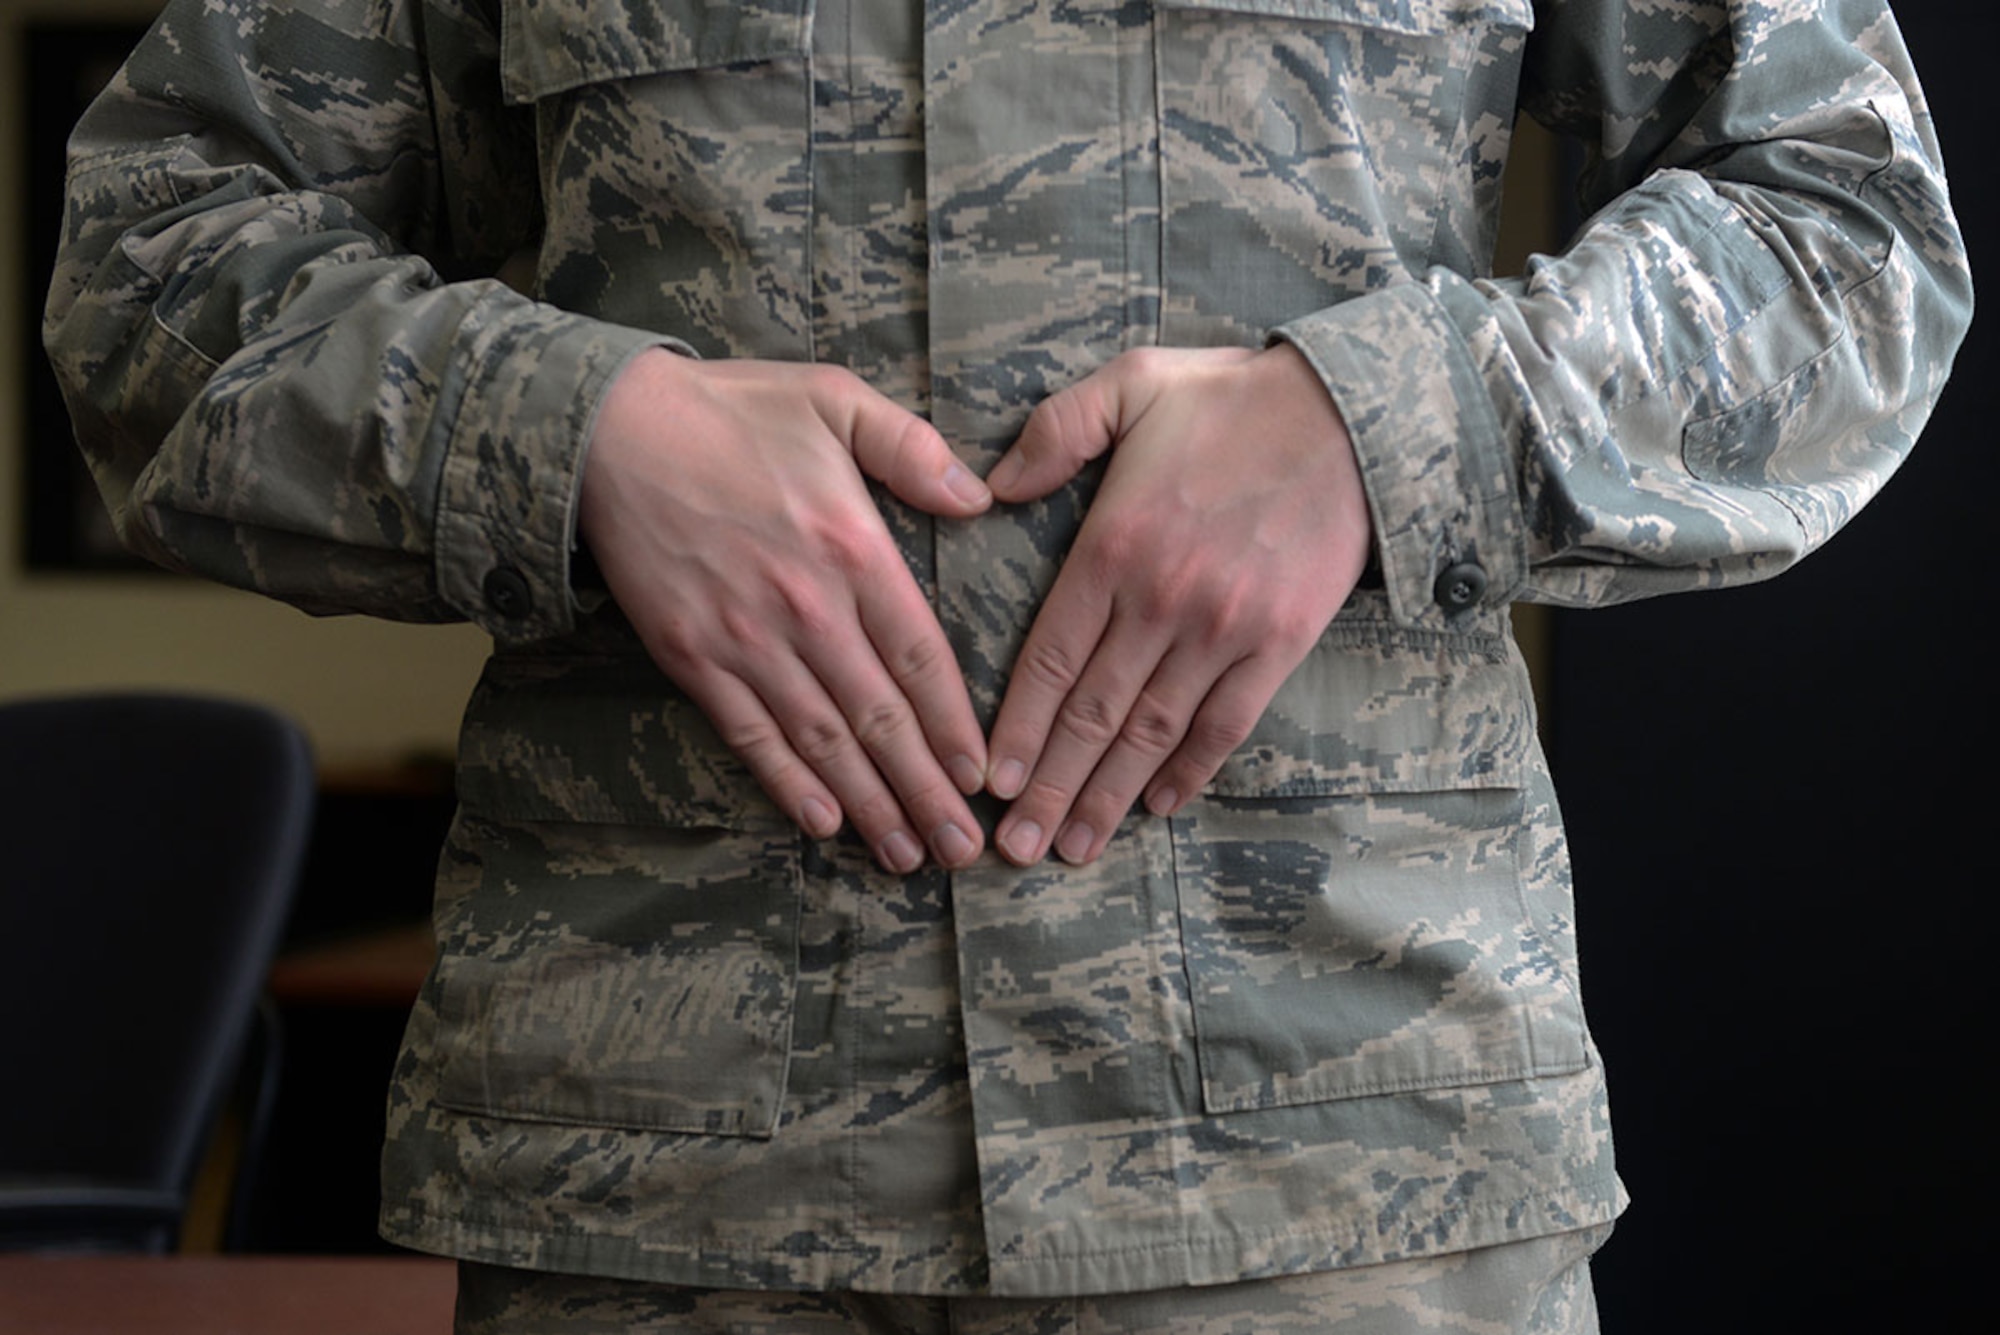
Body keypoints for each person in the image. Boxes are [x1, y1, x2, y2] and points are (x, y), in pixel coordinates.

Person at [46, 0, 1967, 1329]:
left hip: (1337, 1179)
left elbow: (1848, 231)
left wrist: (1390, 426)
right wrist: (572, 436)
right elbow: (150, 268)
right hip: (666, 1188)